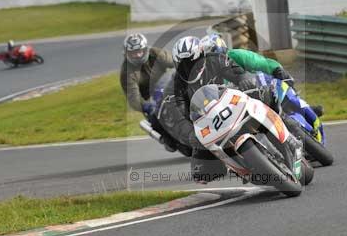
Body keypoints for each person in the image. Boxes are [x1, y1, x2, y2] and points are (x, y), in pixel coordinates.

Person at [172, 35, 256, 183]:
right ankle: (236, 166)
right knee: (201, 173)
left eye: (191, 62)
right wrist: (191, 129)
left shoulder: (216, 59)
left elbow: (237, 71)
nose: (188, 68)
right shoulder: (178, 83)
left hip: (232, 102)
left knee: (267, 95)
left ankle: (289, 130)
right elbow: (181, 108)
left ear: (201, 56)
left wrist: (244, 80)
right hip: (209, 119)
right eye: (183, 64)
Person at [200, 33, 323, 127]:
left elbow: (260, 62)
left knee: (286, 93)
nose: (212, 60)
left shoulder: (236, 55)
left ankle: (307, 109)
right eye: (208, 57)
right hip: (241, 106)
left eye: (213, 54)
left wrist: (277, 70)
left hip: (261, 89)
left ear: (221, 49)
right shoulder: (209, 75)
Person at [119, 33, 174, 113]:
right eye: (133, 53)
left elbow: (175, 61)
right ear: (127, 53)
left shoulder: (155, 53)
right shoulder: (126, 73)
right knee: (159, 121)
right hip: (152, 101)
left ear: (145, 49)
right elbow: (133, 98)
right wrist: (146, 106)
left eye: (139, 51)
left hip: (169, 87)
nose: (137, 55)